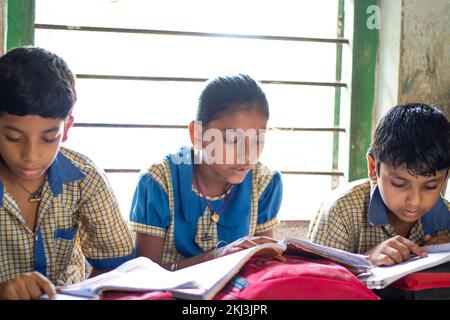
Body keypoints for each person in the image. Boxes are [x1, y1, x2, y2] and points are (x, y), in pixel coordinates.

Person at [0, 46, 135, 300]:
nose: (31, 155)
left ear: (67, 127)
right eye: (13, 137)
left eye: (49, 138)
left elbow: (120, 269)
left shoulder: (84, 178)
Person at [129, 74, 283, 271]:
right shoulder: (159, 181)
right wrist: (217, 257)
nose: (247, 155)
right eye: (232, 140)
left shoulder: (265, 183)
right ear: (198, 134)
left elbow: (260, 266)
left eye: (257, 140)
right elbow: (145, 276)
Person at [309, 103, 450, 266]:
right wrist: (365, 261)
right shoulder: (342, 211)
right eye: (399, 183)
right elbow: (317, 283)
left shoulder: (446, 217)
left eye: (430, 186)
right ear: (373, 167)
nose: (415, 201)